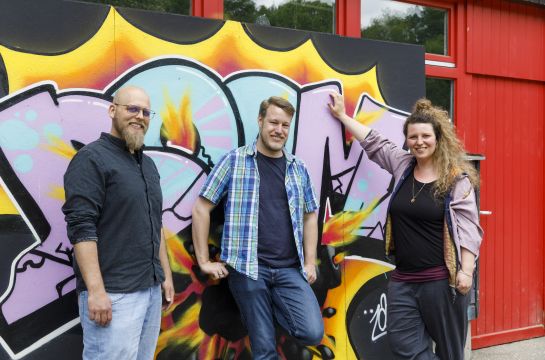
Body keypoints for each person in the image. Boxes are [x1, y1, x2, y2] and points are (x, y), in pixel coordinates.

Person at [328, 92, 483, 360]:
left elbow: (470, 230)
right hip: (403, 280)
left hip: (440, 282)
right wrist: (342, 117)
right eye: (413, 137)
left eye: (425, 136)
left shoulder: (456, 181)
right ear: (407, 140)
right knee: (404, 347)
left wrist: (466, 272)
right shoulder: (403, 166)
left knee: (450, 352)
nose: (419, 142)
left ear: (438, 138)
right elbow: (375, 143)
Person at [192, 96, 324, 359]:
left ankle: (270, 304)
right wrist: (204, 260)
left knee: (312, 332)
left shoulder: (298, 169)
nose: (279, 130)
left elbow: (310, 216)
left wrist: (310, 263)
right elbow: (201, 208)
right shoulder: (235, 161)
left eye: (285, 125)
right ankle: (260, 309)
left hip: (289, 269)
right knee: (263, 349)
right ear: (260, 121)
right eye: (274, 122)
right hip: (248, 269)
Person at [62, 86, 174, 360]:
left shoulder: (147, 165)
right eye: (132, 109)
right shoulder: (91, 159)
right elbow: (81, 228)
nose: (140, 116)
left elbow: (154, 223)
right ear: (113, 110)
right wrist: (96, 292)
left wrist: (165, 275)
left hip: (149, 289)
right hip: (114, 295)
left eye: (146, 112)